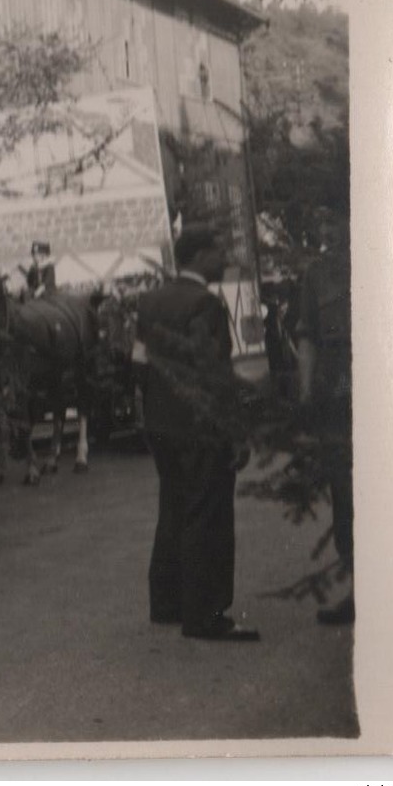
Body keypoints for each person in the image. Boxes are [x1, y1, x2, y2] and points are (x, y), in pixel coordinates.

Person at [135, 226, 258, 641]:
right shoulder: (205, 304)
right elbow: (215, 374)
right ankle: (204, 615)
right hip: (200, 427)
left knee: (173, 507)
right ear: (199, 256)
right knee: (207, 514)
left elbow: (138, 363)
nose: (223, 259)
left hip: (161, 424)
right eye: (218, 251)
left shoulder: (148, 302)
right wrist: (236, 431)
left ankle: (166, 603)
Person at [293, 225, 353, 626]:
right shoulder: (318, 274)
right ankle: (360, 590)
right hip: (339, 401)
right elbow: (308, 338)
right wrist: (305, 396)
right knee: (346, 498)